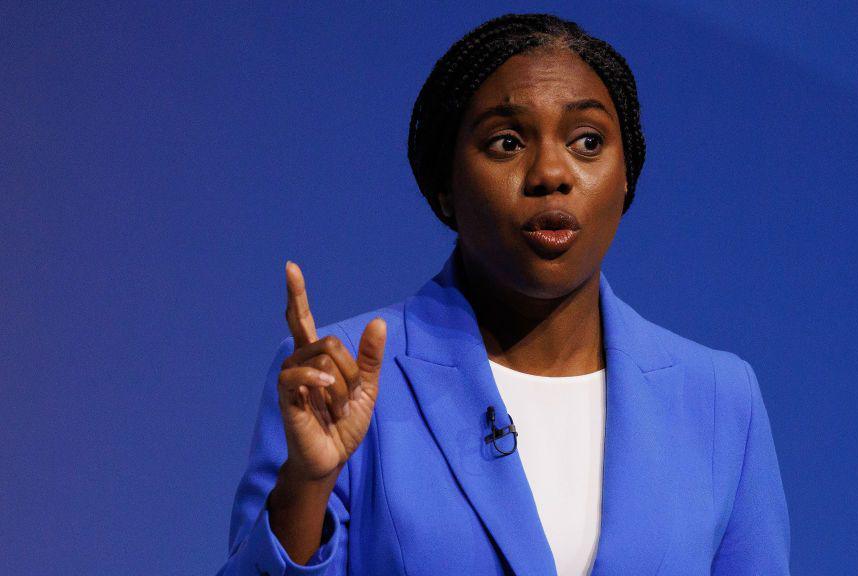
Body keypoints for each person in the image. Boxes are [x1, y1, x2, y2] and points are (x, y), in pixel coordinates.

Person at [216, 12, 790, 576]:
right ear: (444, 188)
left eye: (587, 141)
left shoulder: (719, 399)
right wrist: (306, 486)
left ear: (625, 179)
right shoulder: (338, 379)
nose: (550, 172)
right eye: (506, 142)